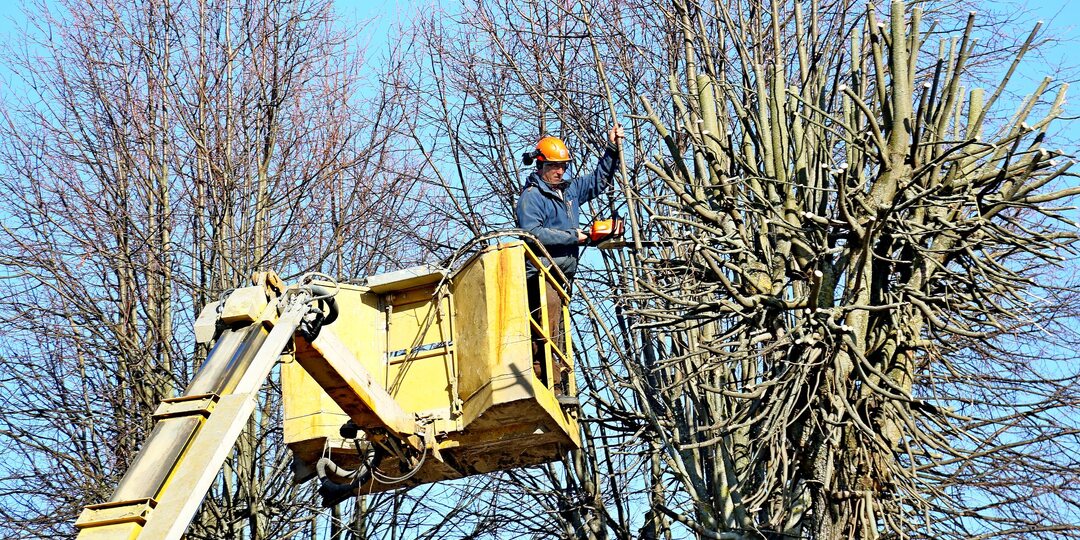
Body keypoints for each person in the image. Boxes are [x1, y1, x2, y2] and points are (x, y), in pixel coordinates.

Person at [515, 124, 624, 407]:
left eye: (563, 166)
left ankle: (556, 383)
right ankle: (551, 387)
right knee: (547, 332)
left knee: (557, 333)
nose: (560, 171)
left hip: (562, 275)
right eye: (554, 166)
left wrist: (611, 149)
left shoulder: (570, 190)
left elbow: (599, 181)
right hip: (541, 274)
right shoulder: (532, 197)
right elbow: (532, 233)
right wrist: (573, 237)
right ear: (540, 165)